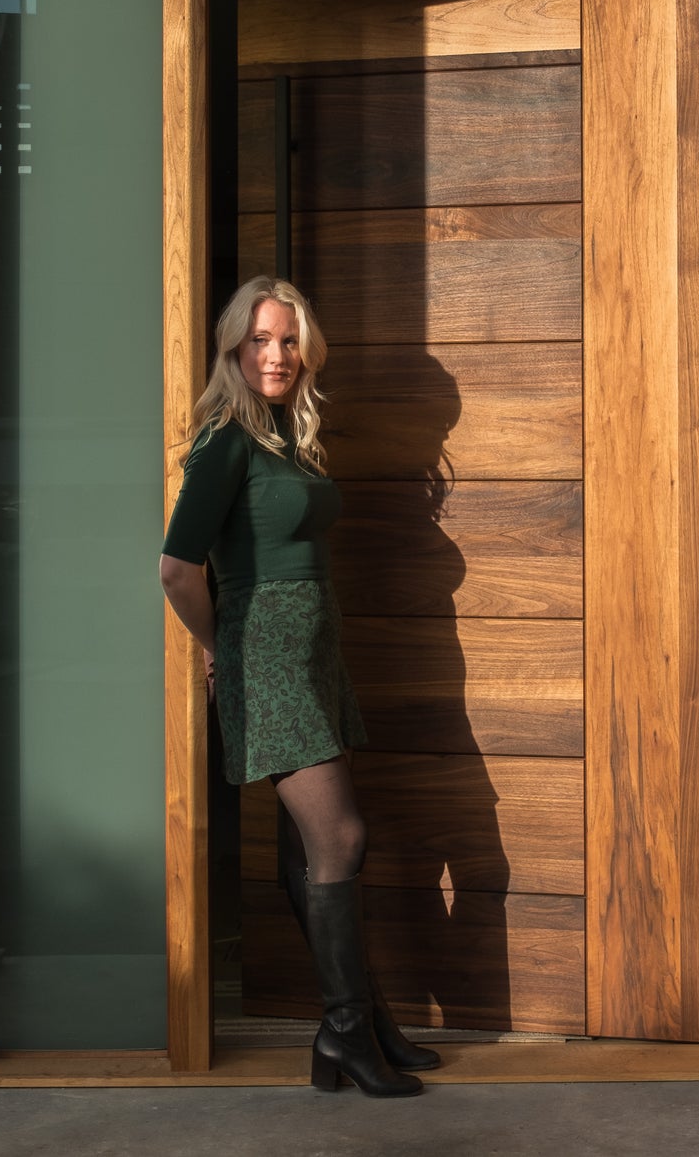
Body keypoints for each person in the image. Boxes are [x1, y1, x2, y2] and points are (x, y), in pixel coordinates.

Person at [159, 275, 437, 1098]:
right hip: (270, 653)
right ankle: (346, 1028)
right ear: (233, 349)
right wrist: (219, 647)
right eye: (259, 340)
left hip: (314, 649)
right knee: (341, 838)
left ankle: (362, 1020)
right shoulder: (225, 439)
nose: (275, 355)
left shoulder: (287, 431)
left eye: (287, 340)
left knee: (309, 849)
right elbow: (176, 569)